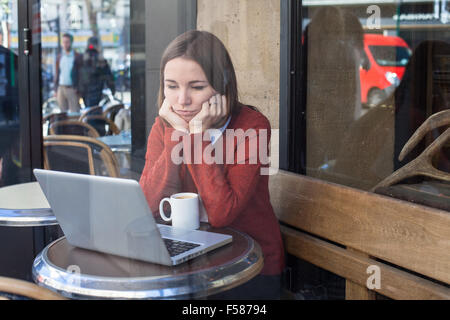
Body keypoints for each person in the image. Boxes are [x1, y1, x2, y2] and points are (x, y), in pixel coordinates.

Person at [139, 30, 285, 299]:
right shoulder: (165, 125)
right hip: (189, 263)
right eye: (171, 86)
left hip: (248, 266)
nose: (182, 100)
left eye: (196, 87)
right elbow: (147, 204)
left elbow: (221, 213)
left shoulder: (252, 126)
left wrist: (196, 135)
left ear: (221, 84)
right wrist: (177, 135)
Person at [78, 36, 115, 108]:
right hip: (98, 91)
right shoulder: (101, 59)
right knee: (95, 111)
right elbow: (108, 76)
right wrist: (112, 89)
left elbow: (76, 75)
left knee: (88, 110)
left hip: (85, 91)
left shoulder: (82, 58)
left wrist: (78, 89)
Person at [54, 33, 83, 113]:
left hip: (72, 89)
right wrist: (56, 89)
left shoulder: (77, 56)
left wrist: (78, 89)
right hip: (61, 88)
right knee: (62, 114)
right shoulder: (60, 57)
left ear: (71, 43)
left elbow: (81, 74)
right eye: (63, 42)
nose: (65, 44)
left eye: (67, 42)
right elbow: (57, 73)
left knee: (74, 113)